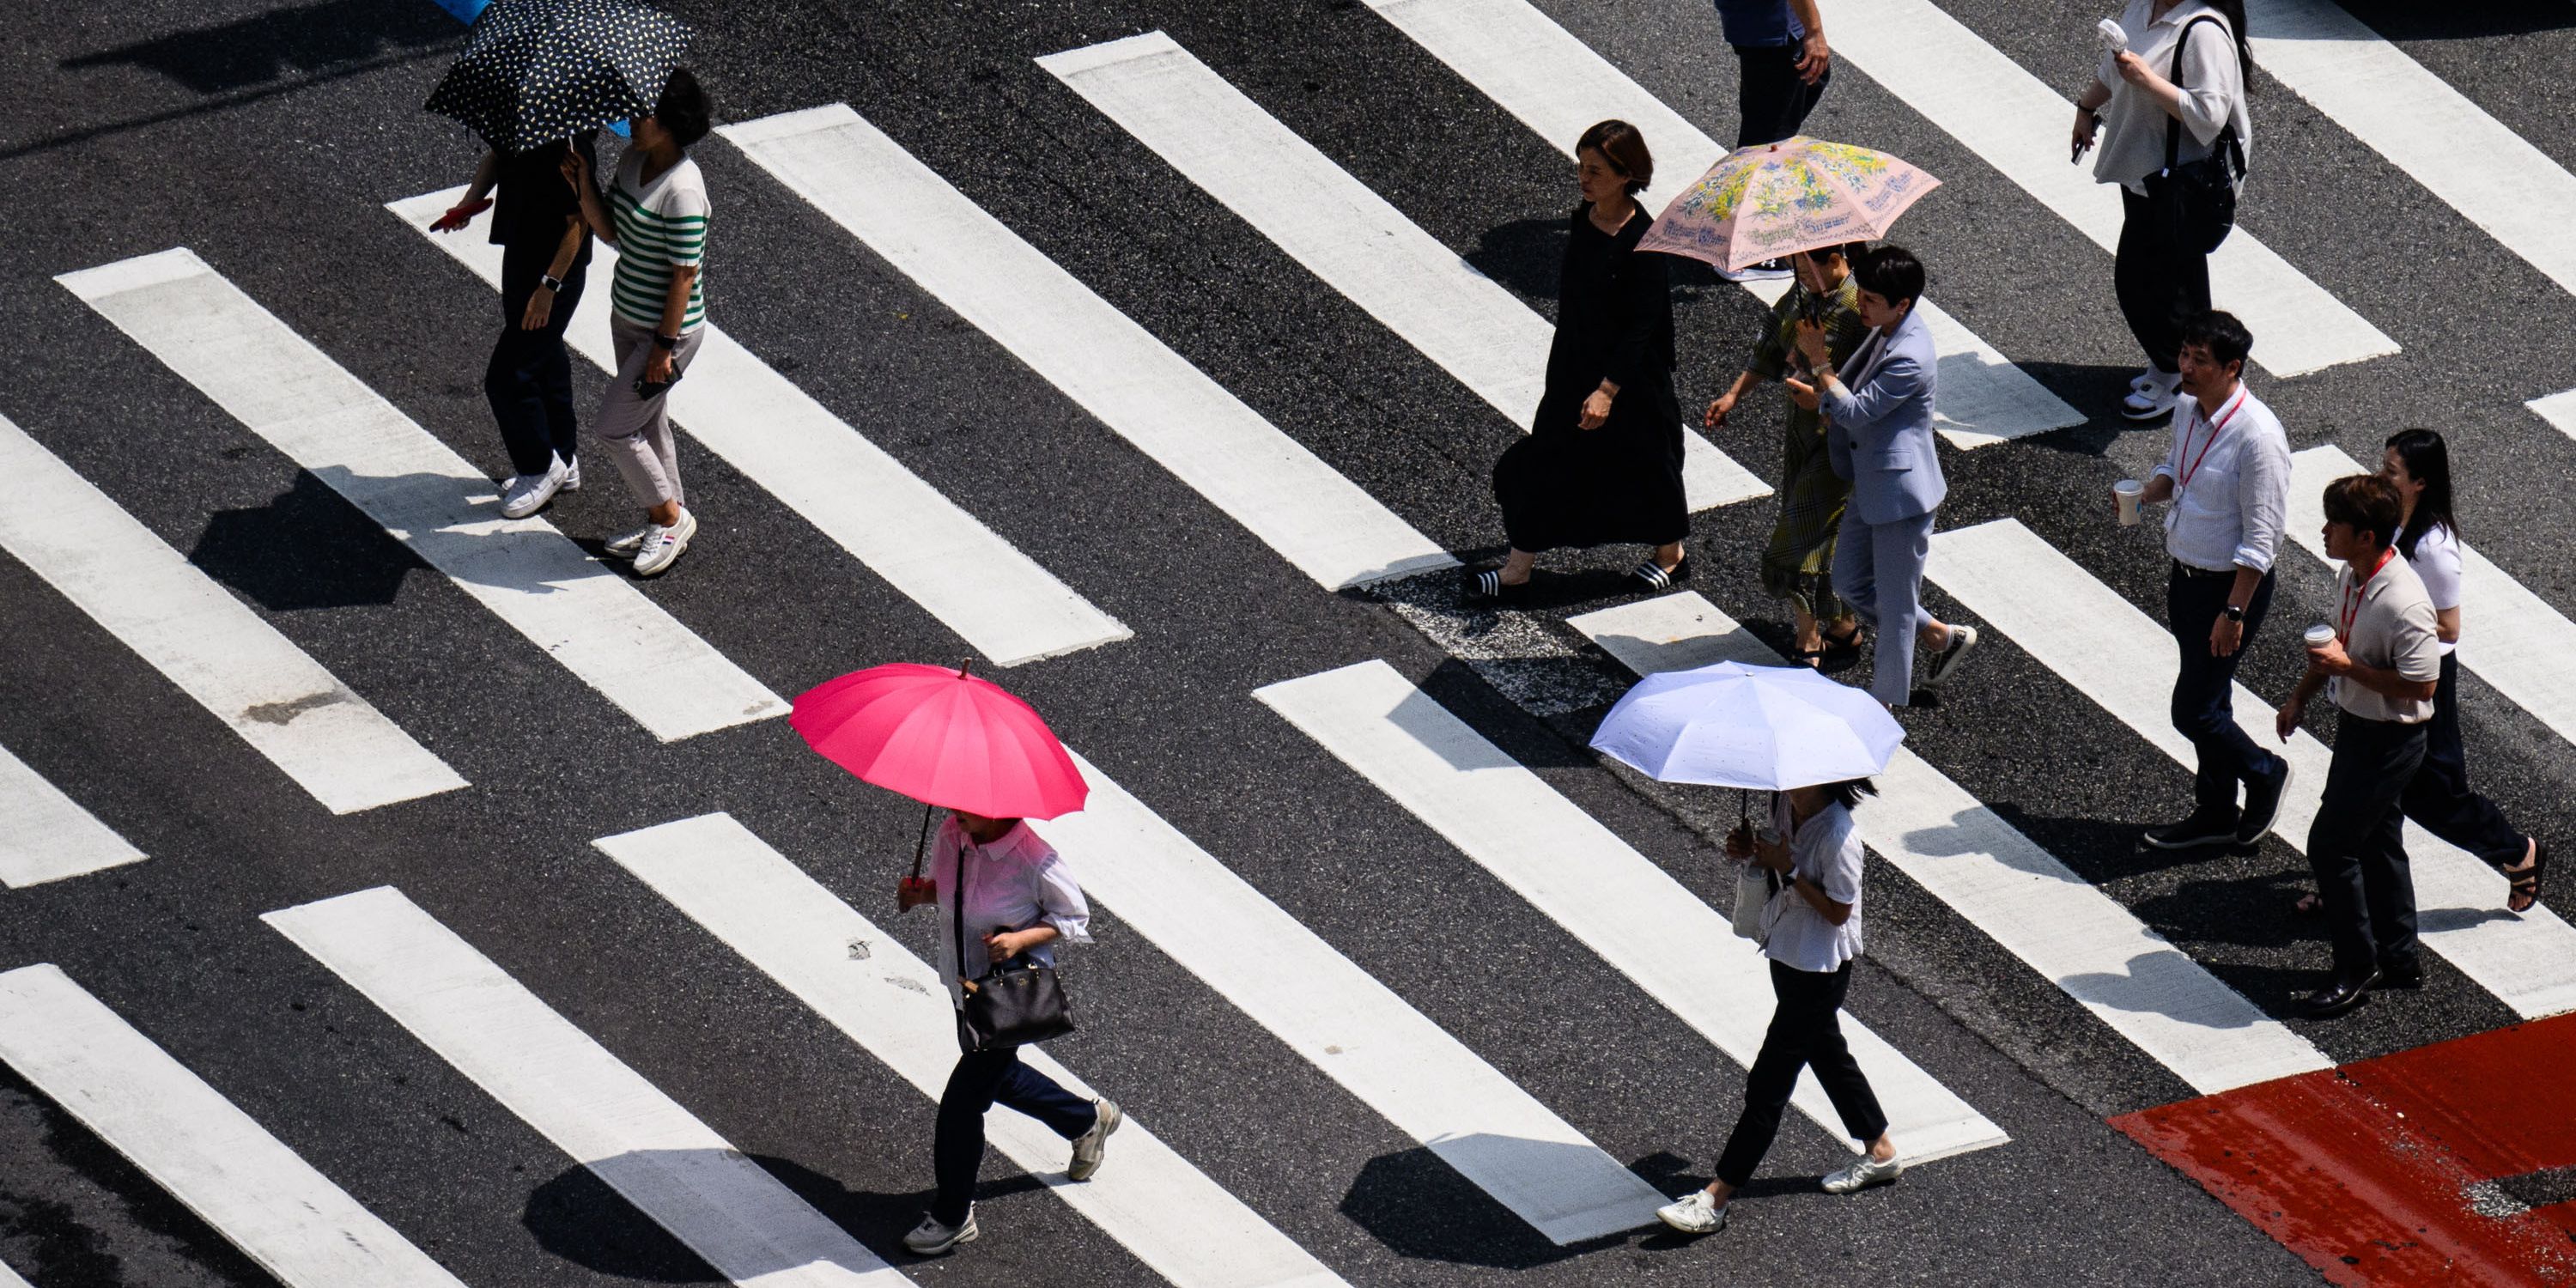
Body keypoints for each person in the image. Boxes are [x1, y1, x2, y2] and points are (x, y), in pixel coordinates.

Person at [1657, 777, 1899, 1236]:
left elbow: (1838, 912)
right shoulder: (1782, 804)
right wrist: (1753, 852)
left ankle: (1716, 1197)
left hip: (1819, 971)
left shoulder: (1840, 837)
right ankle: (1880, 1148)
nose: (1787, 777)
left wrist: (1788, 870)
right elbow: (1773, 864)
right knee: (1827, 1052)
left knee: (1769, 1082)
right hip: (1786, 951)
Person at [1470, 121, 1690, 602]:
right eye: (1581, 167)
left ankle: (1671, 555)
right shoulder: (1584, 219)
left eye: (1594, 170)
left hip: (1629, 380)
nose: (1583, 178)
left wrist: (1608, 390)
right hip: (1574, 365)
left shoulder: (1645, 241)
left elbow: (1643, 326)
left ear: (1626, 173)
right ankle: (1517, 570)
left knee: (1648, 464)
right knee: (1548, 456)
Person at [895, 809, 1120, 1255]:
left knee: (961, 1105)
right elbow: (956, 894)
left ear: (999, 813)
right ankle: (1086, 1119)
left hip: (1007, 995)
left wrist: (1020, 940)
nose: (955, 812)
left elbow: (1074, 917)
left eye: (967, 808)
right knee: (999, 1077)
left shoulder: (1036, 860)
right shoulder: (952, 835)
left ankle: (953, 1215)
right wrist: (922, 896)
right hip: (963, 985)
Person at [2274, 475, 2441, 1018]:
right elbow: (2338, 650)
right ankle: (2398, 956)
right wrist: (2301, 696)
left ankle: (2356, 965)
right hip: (2358, 727)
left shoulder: (2405, 603)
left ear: (2366, 536)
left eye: (2335, 525)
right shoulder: (2354, 575)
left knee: (2330, 846)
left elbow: (2422, 686)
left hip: (2391, 740)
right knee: (2378, 841)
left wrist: (2350, 670)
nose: (2324, 532)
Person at [1784, 245, 1977, 707]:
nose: (1860, 305)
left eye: (1869, 299)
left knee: (1894, 611)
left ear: (1902, 304)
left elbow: (1856, 409)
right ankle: (1938, 634)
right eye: (1862, 295)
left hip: (1901, 496)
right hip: (1872, 482)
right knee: (1849, 583)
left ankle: (1885, 705)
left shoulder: (1911, 355)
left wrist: (1820, 363)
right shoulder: (1885, 328)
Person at [2133, 310, 2293, 853]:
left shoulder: (2259, 438)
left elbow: (2263, 538)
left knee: (2193, 710)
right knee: (2210, 700)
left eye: (2200, 360)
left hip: (2228, 592)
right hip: (2186, 577)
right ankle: (2217, 809)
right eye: (2184, 354)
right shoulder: (2186, 409)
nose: (2186, 367)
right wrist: (2150, 492)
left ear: (2233, 368)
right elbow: (2178, 470)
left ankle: (2264, 771)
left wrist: (2234, 613)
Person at [2376, 430, 2550, 913]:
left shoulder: (2434, 548)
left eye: (2392, 472)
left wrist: (2392, 613)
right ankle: (2346, 881)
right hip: (2383, 668)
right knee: (2369, 783)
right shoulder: (2389, 520)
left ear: (2420, 483)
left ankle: (2517, 851)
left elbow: (2449, 628)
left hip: (2424, 678)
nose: (2380, 477)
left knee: (2436, 797)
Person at [562, 68, 714, 577]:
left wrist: (663, 347)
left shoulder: (684, 191)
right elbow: (612, 234)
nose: (630, 121)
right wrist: (583, 182)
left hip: (665, 333)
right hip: (626, 316)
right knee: (648, 420)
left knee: (613, 428)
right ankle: (671, 521)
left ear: (671, 123)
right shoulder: (634, 159)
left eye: (642, 114)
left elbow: (684, 275)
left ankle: (667, 515)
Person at [2070, 0, 2252, 421]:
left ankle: (2178, 373)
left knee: (2148, 283)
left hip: (2181, 182)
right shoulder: (2142, 10)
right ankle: (2186, 365)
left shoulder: (2204, 31)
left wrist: (2147, 80)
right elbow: (2112, 70)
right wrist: (2086, 108)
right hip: (2145, 170)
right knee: (2170, 279)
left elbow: (2209, 115)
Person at [1705, 242, 1871, 664]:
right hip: (1800, 433)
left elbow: (1869, 390)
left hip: (1839, 442)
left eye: (1802, 266)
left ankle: (1807, 636)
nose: (1796, 274)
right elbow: (1770, 349)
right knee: (1818, 534)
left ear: (1834, 261)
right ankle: (1842, 625)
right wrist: (1733, 395)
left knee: (1795, 535)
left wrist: (1820, 389)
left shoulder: (1859, 309)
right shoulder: (1802, 299)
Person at [430, 135, 599, 519]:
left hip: (555, 273)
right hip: (521, 252)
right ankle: (564, 457)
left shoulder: (571, 147)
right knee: (546, 359)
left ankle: (540, 466)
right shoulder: (526, 121)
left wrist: (549, 288)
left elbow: (580, 222)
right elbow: (497, 154)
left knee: (507, 378)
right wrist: (469, 202)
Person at [1709, 0, 1831, 283]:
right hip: (1773, 30)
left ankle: (1742, 221)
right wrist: (1814, 32)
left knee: (1813, 80)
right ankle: (1747, 251)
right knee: (1766, 140)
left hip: (1756, 25)